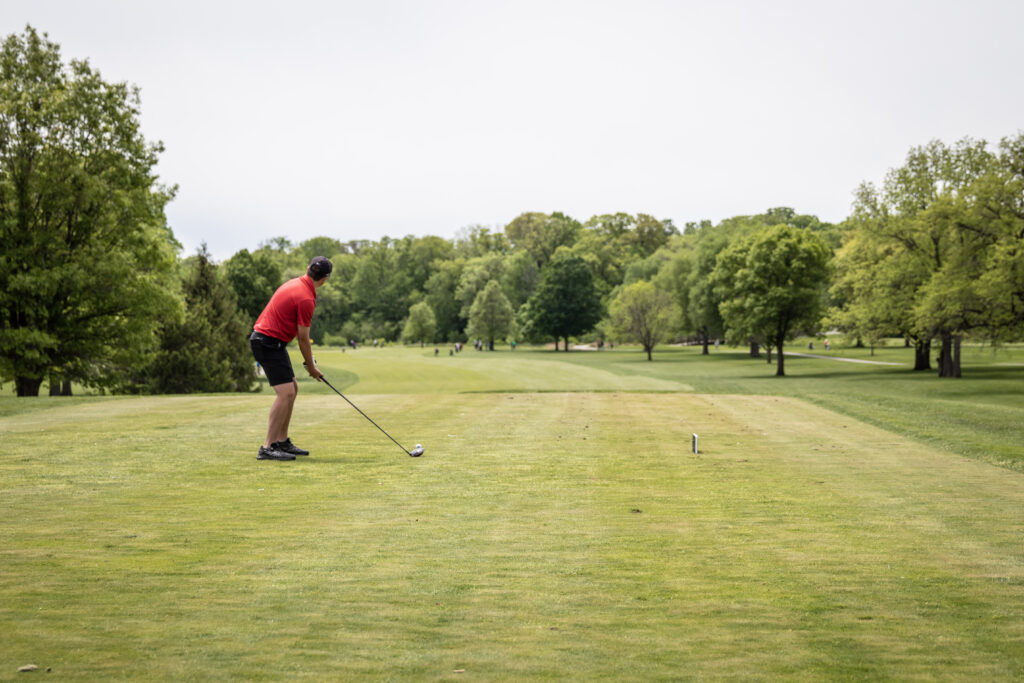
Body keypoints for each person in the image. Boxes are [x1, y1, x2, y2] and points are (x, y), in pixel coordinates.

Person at [249, 256, 332, 461]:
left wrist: (310, 364)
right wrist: (311, 368)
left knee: (292, 389)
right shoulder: (306, 298)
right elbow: (303, 339)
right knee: (285, 393)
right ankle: (267, 447)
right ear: (325, 279)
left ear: (308, 269)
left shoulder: (295, 283)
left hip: (271, 341)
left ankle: (281, 441)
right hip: (267, 342)